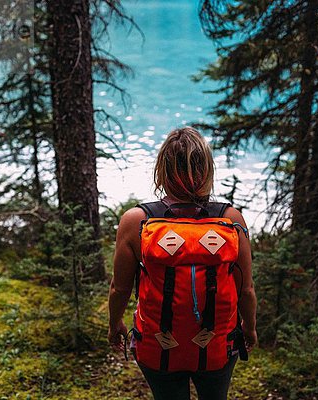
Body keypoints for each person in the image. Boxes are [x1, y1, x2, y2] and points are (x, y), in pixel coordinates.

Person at [108, 126, 258, 400]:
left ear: (162, 171)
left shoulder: (135, 221)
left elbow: (120, 288)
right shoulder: (231, 220)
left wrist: (114, 323)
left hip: (158, 346)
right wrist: (249, 327)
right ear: (207, 171)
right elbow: (245, 289)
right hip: (216, 345)